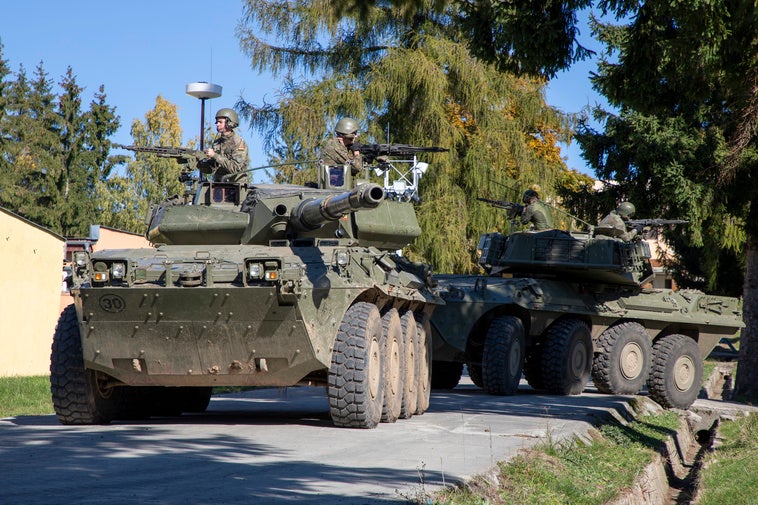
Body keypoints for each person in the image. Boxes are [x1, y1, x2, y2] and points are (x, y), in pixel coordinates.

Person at [197, 108, 250, 183]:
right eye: (217, 122)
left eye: (220, 122)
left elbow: (235, 168)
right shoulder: (217, 143)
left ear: (229, 123)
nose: (217, 124)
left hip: (235, 187)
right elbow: (211, 169)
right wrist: (197, 162)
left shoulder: (238, 143)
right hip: (219, 185)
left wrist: (215, 155)